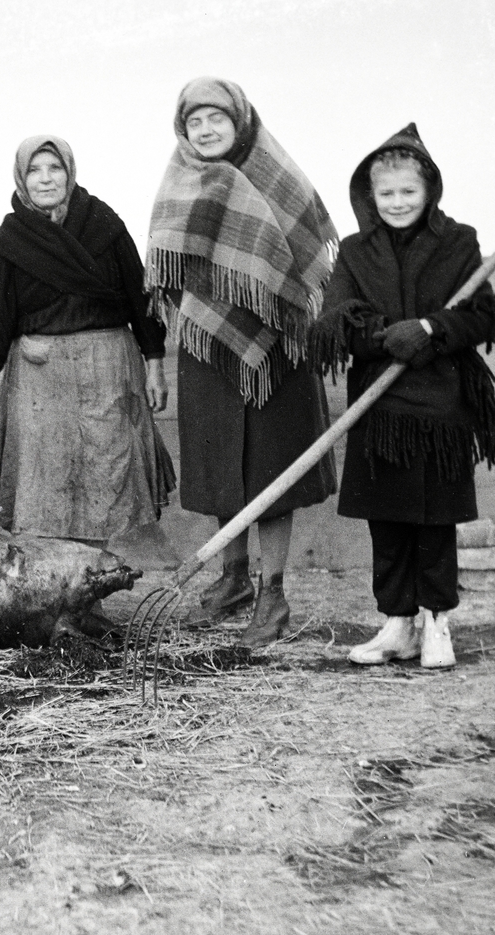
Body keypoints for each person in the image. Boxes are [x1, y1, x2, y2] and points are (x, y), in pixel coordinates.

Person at [146, 77, 339, 646]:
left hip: (278, 350)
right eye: (194, 122)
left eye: (217, 120)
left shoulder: (279, 176)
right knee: (220, 465)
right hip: (207, 347)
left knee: (272, 472)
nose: (206, 131)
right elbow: (164, 268)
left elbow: (313, 259)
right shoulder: (177, 181)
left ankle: (272, 594)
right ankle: (231, 580)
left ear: (240, 122)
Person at [310, 124, 495, 668]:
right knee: (389, 517)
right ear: (370, 197)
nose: (397, 203)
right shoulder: (353, 252)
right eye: (386, 193)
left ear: (429, 191)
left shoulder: (459, 242)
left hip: (442, 407)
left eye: (408, 192)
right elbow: (335, 323)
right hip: (381, 404)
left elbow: (485, 314)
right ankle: (397, 624)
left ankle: (437, 622)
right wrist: (384, 337)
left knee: (434, 519)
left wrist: (431, 329)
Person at [0, 135, 173, 548]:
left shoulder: (104, 225)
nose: (45, 179)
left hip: (107, 372)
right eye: (34, 170)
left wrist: (154, 365)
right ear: (22, 179)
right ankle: (60, 594)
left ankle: (89, 589)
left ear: (70, 172)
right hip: (41, 380)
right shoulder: (10, 241)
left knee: (104, 476)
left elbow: (139, 298)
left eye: (54, 168)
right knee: (47, 482)